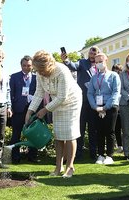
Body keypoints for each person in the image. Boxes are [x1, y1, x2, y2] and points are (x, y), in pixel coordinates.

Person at [25, 50, 82, 178]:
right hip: (56, 104)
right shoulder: (40, 73)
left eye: (41, 70)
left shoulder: (62, 71)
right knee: (58, 135)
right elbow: (39, 93)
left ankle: (70, 167)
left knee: (70, 134)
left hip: (71, 102)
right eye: (38, 70)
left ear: (49, 65)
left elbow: (62, 96)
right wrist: (30, 111)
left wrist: (45, 109)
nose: (39, 73)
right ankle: (58, 167)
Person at [61, 46, 100, 160]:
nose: (91, 55)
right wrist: (66, 60)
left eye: (94, 53)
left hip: (95, 102)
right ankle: (78, 154)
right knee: (80, 129)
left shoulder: (100, 65)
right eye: (90, 53)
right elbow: (73, 66)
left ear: (97, 54)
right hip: (82, 101)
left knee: (93, 129)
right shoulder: (82, 62)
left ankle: (94, 154)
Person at [87, 52, 121, 165]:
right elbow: (90, 93)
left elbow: (116, 92)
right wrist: (95, 107)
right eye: (96, 62)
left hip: (110, 107)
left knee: (110, 131)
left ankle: (109, 155)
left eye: (100, 61)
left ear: (106, 60)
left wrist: (106, 107)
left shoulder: (113, 75)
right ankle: (100, 155)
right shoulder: (94, 78)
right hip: (97, 108)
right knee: (99, 132)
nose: (98, 64)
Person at [10, 55, 38, 164]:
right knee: (16, 134)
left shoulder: (37, 78)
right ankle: (15, 157)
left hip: (32, 110)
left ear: (32, 66)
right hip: (18, 110)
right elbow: (11, 93)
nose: (26, 67)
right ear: (21, 65)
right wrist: (11, 107)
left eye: (29, 65)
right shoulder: (14, 76)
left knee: (33, 134)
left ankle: (32, 156)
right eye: (24, 65)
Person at [112, 64, 123, 153]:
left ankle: (125, 146)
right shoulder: (111, 80)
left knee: (126, 129)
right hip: (116, 108)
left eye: (119, 70)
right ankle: (120, 146)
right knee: (117, 128)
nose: (117, 72)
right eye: (115, 70)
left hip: (124, 107)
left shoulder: (123, 80)